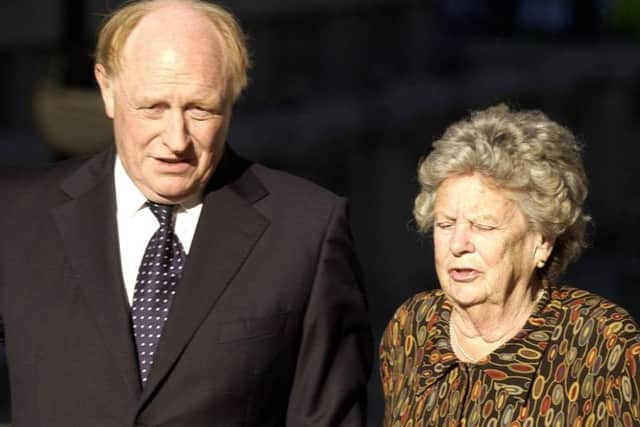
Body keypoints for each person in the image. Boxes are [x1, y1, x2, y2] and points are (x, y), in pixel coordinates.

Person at [0, 0, 373, 425]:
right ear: (106, 89)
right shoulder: (15, 216)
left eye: (200, 110)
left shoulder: (306, 231)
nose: (176, 139)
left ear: (232, 96)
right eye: (153, 108)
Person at [380, 104, 640, 426]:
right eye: (445, 225)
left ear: (542, 241)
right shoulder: (413, 325)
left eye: (484, 226)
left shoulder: (599, 341)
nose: (458, 244)